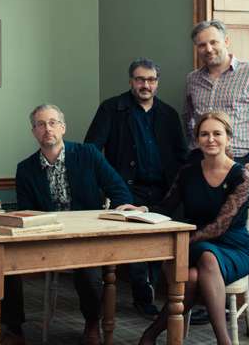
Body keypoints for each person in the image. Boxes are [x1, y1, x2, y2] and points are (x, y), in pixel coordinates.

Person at [184, 19, 249, 345]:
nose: (208, 49)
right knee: (203, 231)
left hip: (241, 167)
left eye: (213, 42)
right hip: (204, 168)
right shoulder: (192, 80)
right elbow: (190, 123)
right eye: (201, 44)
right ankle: (206, 298)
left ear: (227, 42)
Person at [0, 104, 133, 345]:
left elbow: (118, 188)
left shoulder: (88, 154)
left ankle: (92, 323)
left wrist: (122, 209)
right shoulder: (26, 169)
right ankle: (14, 327)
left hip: (83, 237)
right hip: (45, 238)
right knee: (6, 265)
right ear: (34, 132)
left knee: (89, 273)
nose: (47, 129)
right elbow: (26, 210)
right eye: (40, 124)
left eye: (52, 123)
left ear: (63, 127)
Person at [131, 112, 249, 345]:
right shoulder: (188, 172)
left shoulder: (242, 176)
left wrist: (182, 244)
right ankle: (221, 341)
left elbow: (219, 227)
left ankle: (153, 334)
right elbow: (167, 207)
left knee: (199, 269)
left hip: (231, 247)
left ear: (228, 137)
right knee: (194, 272)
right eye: (204, 134)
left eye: (217, 133)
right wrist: (143, 210)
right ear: (197, 139)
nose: (210, 139)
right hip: (196, 245)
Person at [84, 57, 187, 319]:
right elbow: (92, 151)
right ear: (131, 81)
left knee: (159, 244)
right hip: (127, 190)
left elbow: (181, 155)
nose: (145, 85)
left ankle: (148, 292)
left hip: (164, 190)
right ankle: (143, 295)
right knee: (139, 243)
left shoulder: (168, 114)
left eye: (151, 80)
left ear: (157, 83)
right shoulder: (112, 109)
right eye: (140, 79)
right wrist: (110, 186)